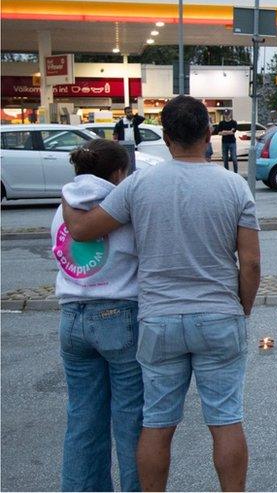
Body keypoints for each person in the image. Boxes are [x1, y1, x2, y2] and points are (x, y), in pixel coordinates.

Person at [61, 95, 262, 492]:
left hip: (159, 320)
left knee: (156, 424)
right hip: (218, 315)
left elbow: (84, 231)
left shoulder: (138, 185)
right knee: (225, 420)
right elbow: (251, 263)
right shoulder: (235, 186)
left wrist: (69, 199)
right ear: (208, 135)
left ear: (166, 138)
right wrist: (242, 308)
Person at [53, 139, 142, 492]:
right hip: (119, 314)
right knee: (131, 421)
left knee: (82, 421)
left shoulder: (65, 208)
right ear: (119, 173)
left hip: (71, 317)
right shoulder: (117, 207)